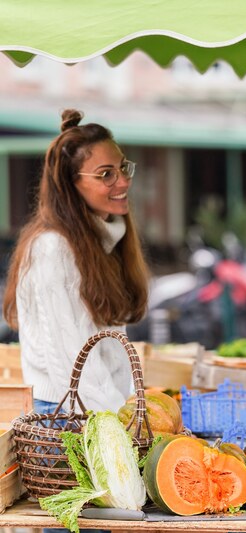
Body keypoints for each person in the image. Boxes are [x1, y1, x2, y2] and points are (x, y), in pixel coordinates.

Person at [2, 108, 149, 416]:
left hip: (102, 414)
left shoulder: (106, 241)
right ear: (71, 185)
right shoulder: (52, 250)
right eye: (106, 174)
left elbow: (111, 353)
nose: (122, 182)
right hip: (65, 419)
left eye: (123, 168)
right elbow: (73, 367)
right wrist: (126, 425)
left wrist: (137, 409)